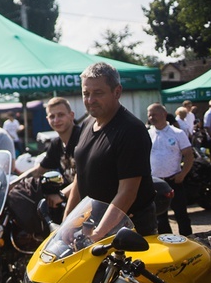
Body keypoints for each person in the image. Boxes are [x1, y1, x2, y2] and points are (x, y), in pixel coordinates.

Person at [64, 62, 157, 237]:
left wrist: (99, 233)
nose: (90, 100)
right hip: (95, 228)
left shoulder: (131, 130)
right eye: (86, 94)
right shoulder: (87, 125)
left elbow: (127, 192)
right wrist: (67, 222)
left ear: (117, 92)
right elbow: (80, 177)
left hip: (129, 233)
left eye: (98, 93)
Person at [9, 97, 81, 209]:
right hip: (71, 200)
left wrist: (61, 195)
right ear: (47, 119)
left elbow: (86, 176)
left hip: (89, 201)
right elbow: (39, 170)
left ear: (71, 115)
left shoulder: (82, 139)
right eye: (52, 116)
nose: (56, 120)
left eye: (61, 115)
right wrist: (11, 185)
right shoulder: (57, 144)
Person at [147, 103, 194, 236]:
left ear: (164, 115)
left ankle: (189, 241)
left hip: (174, 180)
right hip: (155, 183)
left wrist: (183, 174)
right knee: (160, 218)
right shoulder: (147, 134)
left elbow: (189, 155)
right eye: (149, 115)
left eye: (154, 114)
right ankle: (168, 244)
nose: (151, 117)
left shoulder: (177, 133)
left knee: (181, 215)